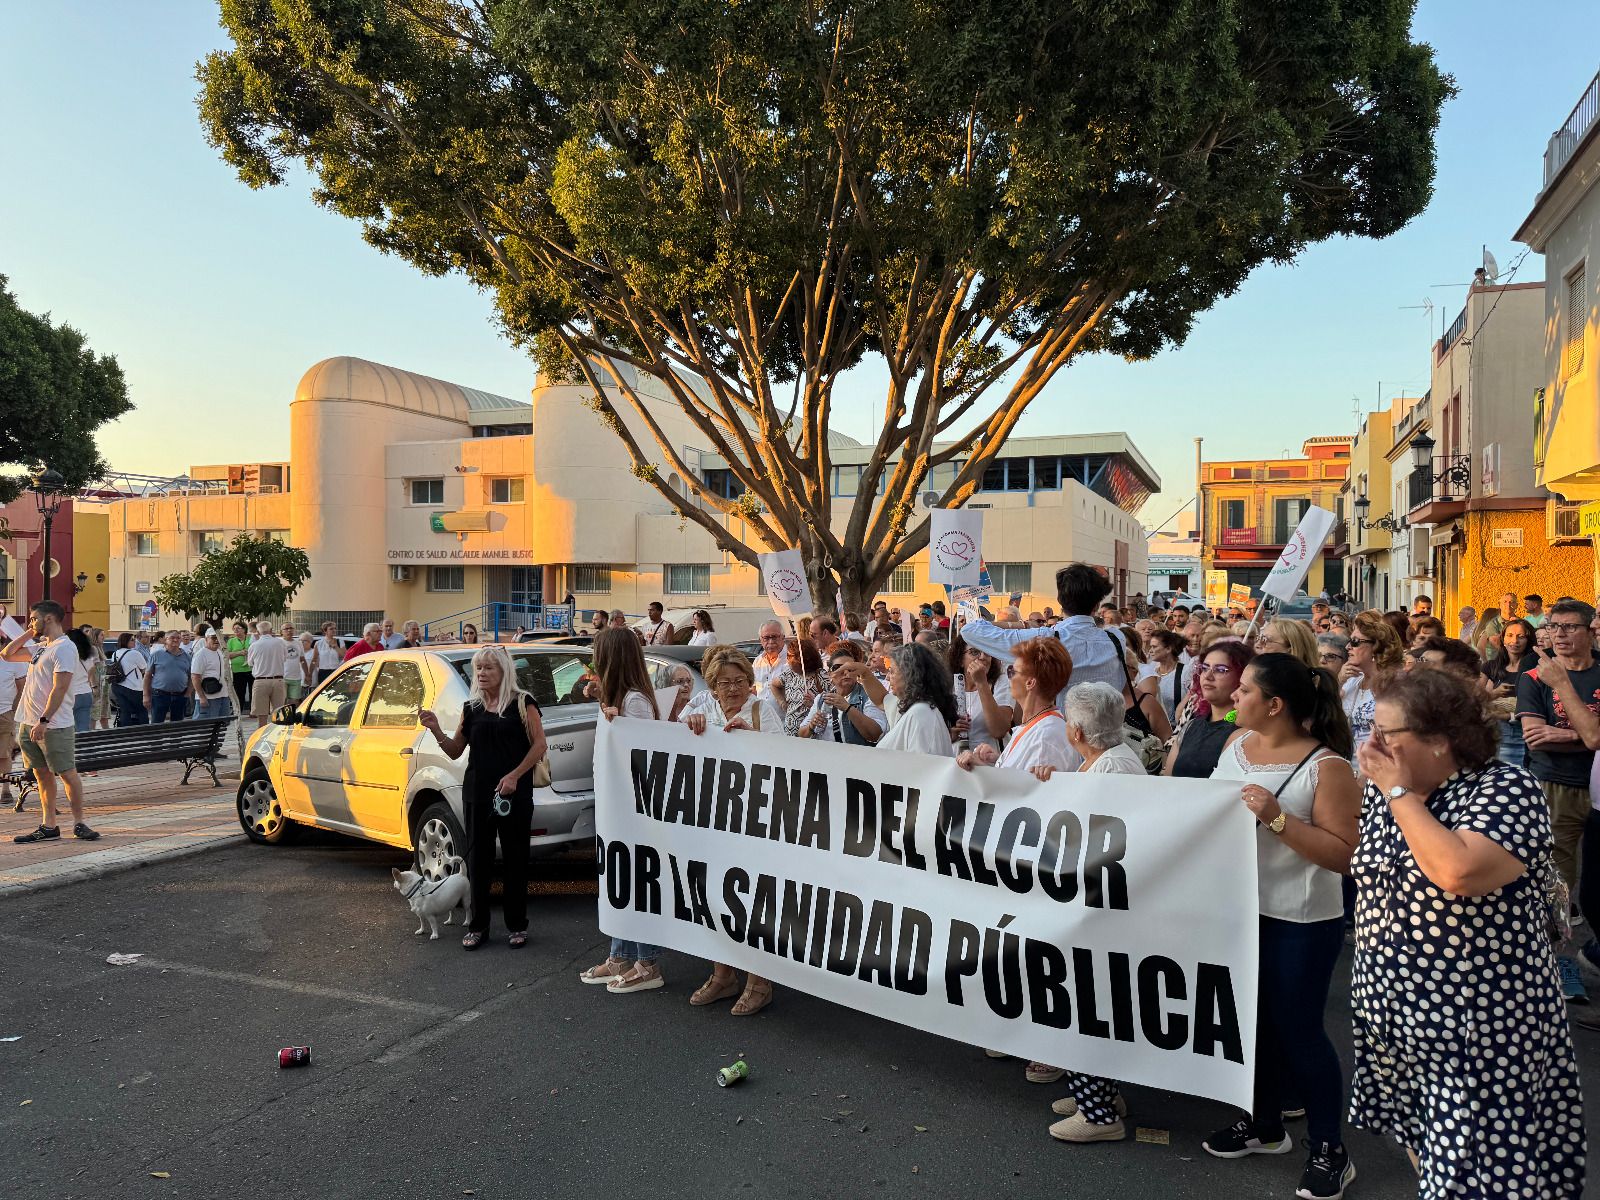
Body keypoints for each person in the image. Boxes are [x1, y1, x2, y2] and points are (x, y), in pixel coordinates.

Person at [1351, 668, 1585, 1195]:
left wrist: (1396, 792)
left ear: (1440, 739)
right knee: (1429, 1149)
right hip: (1394, 1015)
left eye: (1387, 735)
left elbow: (1458, 872)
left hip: (1479, 1027)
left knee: (1486, 1168)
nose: (1373, 746)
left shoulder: (1505, 788)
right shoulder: (1391, 793)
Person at [1204, 653, 1360, 1197]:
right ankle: (1264, 1124)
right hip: (1237, 912)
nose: (1232, 694)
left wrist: (1276, 818)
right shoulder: (1234, 746)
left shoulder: (1328, 766)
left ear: (1275, 705)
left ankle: (1329, 1148)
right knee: (1251, 1024)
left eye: (1245, 689)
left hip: (1300, 917)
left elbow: (1344, 855)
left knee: (1300, 1031)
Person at [419, 645, 547, 950]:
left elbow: (540, 745)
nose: (482, 673)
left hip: (513, 794)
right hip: (477, 793)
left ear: (504, 672)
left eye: (489, 668)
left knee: (516, 859)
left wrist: (515, 775)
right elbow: (455, 749)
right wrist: (436, 729)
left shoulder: (522, 703)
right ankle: (478, 926)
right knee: (479, 862)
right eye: (479, 668)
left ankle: (517, 925)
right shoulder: (471, 708)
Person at [677, 645, 779, 1014]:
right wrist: (688, 728)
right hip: (712, 823)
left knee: (752, 901)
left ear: (750, 683)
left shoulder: (762, 710)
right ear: (714, 687)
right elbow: (667, 743)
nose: (733, 689)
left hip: (753, 824)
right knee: (715, 898)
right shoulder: (702, 709)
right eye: (724, 683)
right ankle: (723, 975)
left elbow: (786, 763)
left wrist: (752, 736)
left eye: (739, 681)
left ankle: (759, 981)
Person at [580, 628, 670, 992]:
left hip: (634, 811)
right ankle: (621, 953)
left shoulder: (635, 702)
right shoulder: (620, 698)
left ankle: (647, 962)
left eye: (599, 654)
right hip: (618, 807)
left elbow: (643, 756)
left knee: (634, 883)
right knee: (618, 882)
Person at [1517, 600, 1600, 960]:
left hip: (1597, 787)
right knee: (1559, 881)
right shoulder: (1535, 676)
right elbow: (1535, 735)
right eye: (1553, 627)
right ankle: (1562, 961)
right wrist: (1588, 731)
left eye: (1569, 627)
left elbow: (1594, 737)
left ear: (1589, 632)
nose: (1559, 635)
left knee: (1595, 887)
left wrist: (1567, 732)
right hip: (1554, 782)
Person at [960, 564, 1128, 710]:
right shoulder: (1116, 638)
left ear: (1060, 601)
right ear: (1097, 605)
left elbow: (970, 630)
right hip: (1109, 737)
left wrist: (1022, 624)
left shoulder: (1047, 639)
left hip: (1063, 735)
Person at [9, 601, 98, 843]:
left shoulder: (64, 649)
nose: (31, 622)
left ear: (49, 619)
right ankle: (49, 825)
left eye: (34, 618)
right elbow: (6, 654)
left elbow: (60, 688)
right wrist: (30, 631)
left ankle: (79, 823)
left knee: (68, 773)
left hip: (53, 725)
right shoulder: (41, 647)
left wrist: (44, 720)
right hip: (28, 722)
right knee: (41, 775)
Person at [958, 638, 1073, 776]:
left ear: (1030, 683)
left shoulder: (1045, 738)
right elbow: (1018, 777)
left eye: (1012, 671)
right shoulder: (1038, 726)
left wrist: (980, 765)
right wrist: (998, 760)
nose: (1009, 677)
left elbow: (1023, 793)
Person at [1163, 640, 1253, 779]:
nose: (1208, 676)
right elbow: (1168, 780)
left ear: (1242, 677)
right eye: (1204, 668)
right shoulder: (1191, 726)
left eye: (1221, 670)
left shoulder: (1249, 732)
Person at [877, 643, 958, 757]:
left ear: (909, 675)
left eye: (892, 671)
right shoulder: (921, 710)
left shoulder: (921, 713)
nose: (887, 677)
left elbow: (920, 766)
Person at [1340, 611, 1403, 755]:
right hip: (1348, 765)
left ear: (1376, 646)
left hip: (1376, 767)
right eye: (1349, 641)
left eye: (1355, 642)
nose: (1348, 647)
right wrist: (1338, 681)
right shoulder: (1352, 680)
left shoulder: (1395, 683)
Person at [798, 642, 885, 744]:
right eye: (838, 668)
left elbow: (875, 734)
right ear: (830, 674)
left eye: (850, 668)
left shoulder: (868, 696)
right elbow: (801, 734)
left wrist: (847, 708)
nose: (845, 672)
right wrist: (812, 726)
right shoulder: (822, 699)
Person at [951, 637, 1015, 754]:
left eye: (987, 651)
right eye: (974, 652)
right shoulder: (949, 687)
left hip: (988, 763)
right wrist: (952, 733)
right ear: (960, 659)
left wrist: (981, 683)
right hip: (956, 762)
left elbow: (999, 730)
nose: (982, 657)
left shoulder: (1000, 683)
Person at [246, 620, 294, 728]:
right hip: (278, 680)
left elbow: (250, 663)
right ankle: (278, 736)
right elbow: (285, 658)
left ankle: (262, 737)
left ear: (258, 632)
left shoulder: (254, 645)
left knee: (261, 715)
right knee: (280, 714)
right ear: (271, 631)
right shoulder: (280, 643)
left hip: (261, 680)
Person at [774, 636, 825, 735]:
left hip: (810, 735)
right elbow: (774, 685)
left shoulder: (820, 675)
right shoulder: (790, 673)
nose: (787, 659)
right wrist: (782, 702)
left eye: (790, 656)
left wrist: (814, 704)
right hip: (789, 734)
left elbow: (831, 704)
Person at [1140, 629, 1187, 728]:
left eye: (1154, 647)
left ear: (1168, 649)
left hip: (1177, 730)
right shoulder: (1150, 672)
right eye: (1150, 647)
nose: (1150, 651)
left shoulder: (1185, 672)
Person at [144, 631, 193, 723]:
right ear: (166, 640)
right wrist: (146, 696)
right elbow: (147, 676)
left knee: (177, 726)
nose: (175, 640)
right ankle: (157, 738)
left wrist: (188, 693)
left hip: (180, 695)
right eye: (172, 637)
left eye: (178, 638)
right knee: (157, 724)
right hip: (160, 695)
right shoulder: (156, 654)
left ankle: (175, 738)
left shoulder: (187, 656)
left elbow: (192, 677)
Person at [109, 632, 148, 726]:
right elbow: (144, 667)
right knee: (141, 710)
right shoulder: (134, 653)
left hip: (117, 686)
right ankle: (144, 731)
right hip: (133, 686)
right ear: (125, 641)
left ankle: (125, 732)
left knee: (125, 710)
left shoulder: (115, 653)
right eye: (132, 640)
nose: (135, 641)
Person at [190, 630, 233, 719]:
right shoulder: (201, 654)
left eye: (219, 638)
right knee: (206, 726)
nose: (217, 640)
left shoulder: (220, 652)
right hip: (209, 697)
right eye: (213, 638)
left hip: (223, 695)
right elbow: (195, 677)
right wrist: (202, 697)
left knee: (222, 725)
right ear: (206, 639)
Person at [64, 628, 95, 733]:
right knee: (83, 728)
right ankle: (85, 748)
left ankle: (73, 748)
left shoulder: (65, 658)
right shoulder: (88, 659)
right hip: (85, 693)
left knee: (67, 728)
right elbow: (88, 677)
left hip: (69, 695)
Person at [87, 627, 112, 730]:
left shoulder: (99, 648)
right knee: (95, 712)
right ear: (95, 636)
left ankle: (107, 734)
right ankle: (91, 734)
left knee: (103, 712)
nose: (104, 637)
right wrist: (94, 685)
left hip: (103, 685)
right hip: (97, 685)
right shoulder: (93, 648)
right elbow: (92, 668)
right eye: (101, 635)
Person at [225, 620, 253, 711]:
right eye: (234, 628)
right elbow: (227, 655)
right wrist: (240, 653)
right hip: (238, 670)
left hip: (251, 669)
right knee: (239, 692)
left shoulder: (251, 639)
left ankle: (253, 711)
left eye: (238, 628)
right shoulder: (231, 641)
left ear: (244, 629)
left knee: (253, 692)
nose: (236, 630)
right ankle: (238, 711)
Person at [287, 632, 316, 702]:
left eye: (304, 640)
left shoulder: (313, 652)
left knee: (307, 701)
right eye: (300, 640)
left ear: (310, 642)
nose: (301, 642)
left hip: (310, 682)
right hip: (297, 680)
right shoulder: (296, 652)